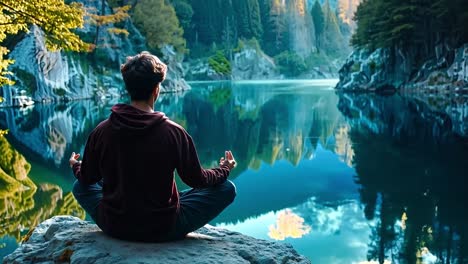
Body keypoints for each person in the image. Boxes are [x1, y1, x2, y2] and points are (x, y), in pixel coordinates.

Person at [69, 51, 237, 242]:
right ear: (157, 89)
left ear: (128, 88)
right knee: (226, 189)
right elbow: (197, 180)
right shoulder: (174, 133)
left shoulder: (102, 130)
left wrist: (76, 165)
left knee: (79, 186)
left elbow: (87, 177)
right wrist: (224, 169)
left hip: (114, 225)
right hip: (162, 228)